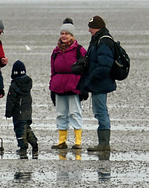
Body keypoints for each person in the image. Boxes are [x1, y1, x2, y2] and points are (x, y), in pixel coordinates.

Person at [79, 15, 116, 152]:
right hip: (98, 83)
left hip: (101, 83)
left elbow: (105, 65)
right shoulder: (97, 39)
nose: (89, 30)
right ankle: (103, 143)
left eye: (91, 28)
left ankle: (104, 144)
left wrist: (91, 77)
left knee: (101, 112)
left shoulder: (104, 41)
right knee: (99, 111)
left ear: (98, 27)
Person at [49, 18, 87, 150]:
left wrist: (83, 87)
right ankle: (62, 141)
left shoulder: (79, 50)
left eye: (66, 33)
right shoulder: (55, 52)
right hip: (59, 87)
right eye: (62, 33)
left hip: (74, 86)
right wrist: (52, 87)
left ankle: (77, 142)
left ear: (72, 35)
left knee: (75, 113)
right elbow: (53, 71)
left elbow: (85, 68)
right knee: (60, 113)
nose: (64, 36)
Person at [5, 60, 38, 157]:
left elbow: (11, 100)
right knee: (26, 127)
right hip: (27, 110)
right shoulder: (28, 83)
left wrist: (8, 112)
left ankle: (23, 147)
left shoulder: (14, 85)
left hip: (18, 112)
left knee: (19, 129)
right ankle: (34, 143)